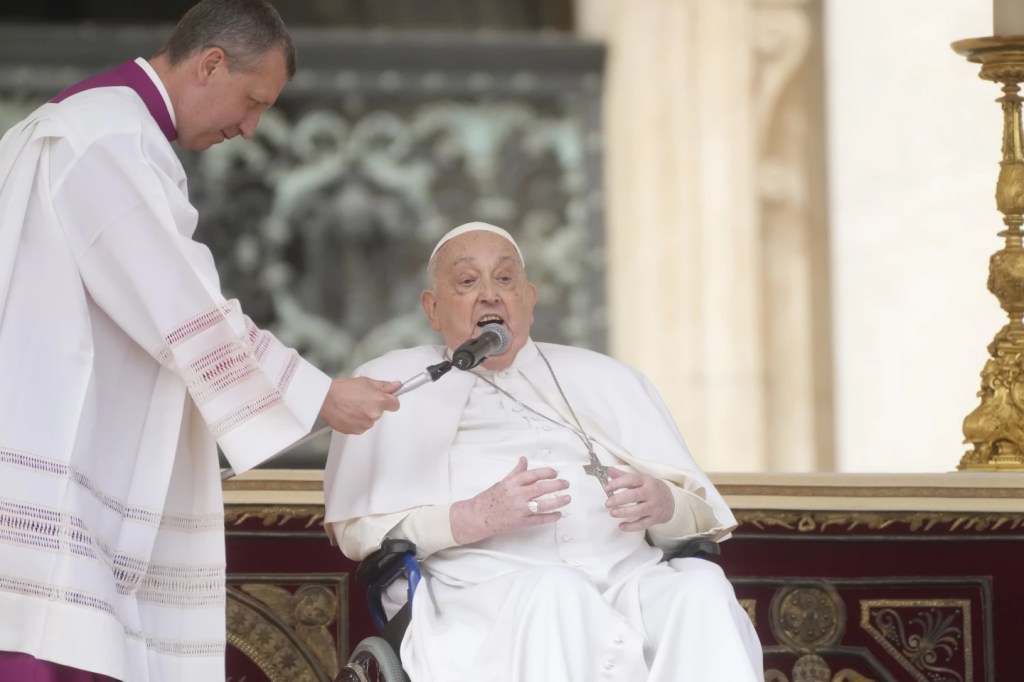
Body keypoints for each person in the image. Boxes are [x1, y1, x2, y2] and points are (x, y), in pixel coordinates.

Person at [0, 1, 400, 680]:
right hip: (59, 468)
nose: (250, 128)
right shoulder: (106, 138)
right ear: (209, 63)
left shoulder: (77, 129)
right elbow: (182, 306)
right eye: (251, 101)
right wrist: (320, 395)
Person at [324, 222, 764, 681]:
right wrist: (471, 516)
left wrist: (666, 504)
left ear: (529, 300)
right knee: (558, 590)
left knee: (700, 587)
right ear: (433, 308)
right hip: (481, 598)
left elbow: (700, 521)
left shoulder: (609, 379)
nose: (491, 295)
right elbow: (361, 534)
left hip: (630, 583)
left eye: (506, 279)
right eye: (468, 281)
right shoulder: (396, 384)